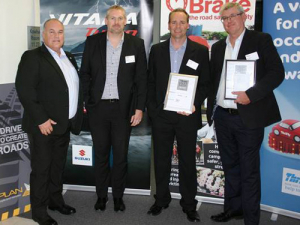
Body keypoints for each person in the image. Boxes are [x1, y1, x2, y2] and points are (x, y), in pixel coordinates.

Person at [207, 3, 284, 225]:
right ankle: (233, 209)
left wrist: (251, 94)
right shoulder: (219, 47)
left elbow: (277, 73)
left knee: (249, 171)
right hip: (222, 116)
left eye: (233, 16)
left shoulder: (260, 40)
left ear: (243, 16)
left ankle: (251, 220)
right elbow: (214, 81)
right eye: (224, 18)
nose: (229, 21)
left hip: (248, 117)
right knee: (230, 167)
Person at [15, 19, 83, 225]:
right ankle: (39, 212)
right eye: (51, 32)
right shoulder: (32, 57)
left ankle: (55, 201)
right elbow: (25, 90)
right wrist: (41, 120)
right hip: (43, 127)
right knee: (42, 170)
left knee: (57, 167)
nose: (56, 36)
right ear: (44, 35)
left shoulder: (68, 56)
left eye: (60, 32)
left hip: (64, 125)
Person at [80, 5, 147, 212]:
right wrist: (85, 101)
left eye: (120, 18)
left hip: (123, 110)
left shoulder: (137, 44)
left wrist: (139, 108)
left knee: (120, 156)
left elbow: (141, 80)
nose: (116, 22)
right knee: (100, 155)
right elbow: (85, 74)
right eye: (112, 18)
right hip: (98, 109)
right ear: (106, 21)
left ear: (125, 21)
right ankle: (101, 196)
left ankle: (118, 196)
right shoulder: (93, 42)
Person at [147, 8, 210, 223]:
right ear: (168, 25)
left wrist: (194, 104)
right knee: (161, 160)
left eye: (182, 22)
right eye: (174, 22)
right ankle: (161, 199)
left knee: (187, 162)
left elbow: (205, 84)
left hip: (187, 115)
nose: (178, 26)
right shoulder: (157, 50)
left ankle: (189, 204)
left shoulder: (199, 51)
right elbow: (150, 82)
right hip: (162, 116)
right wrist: (154, 111)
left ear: (188, 25)